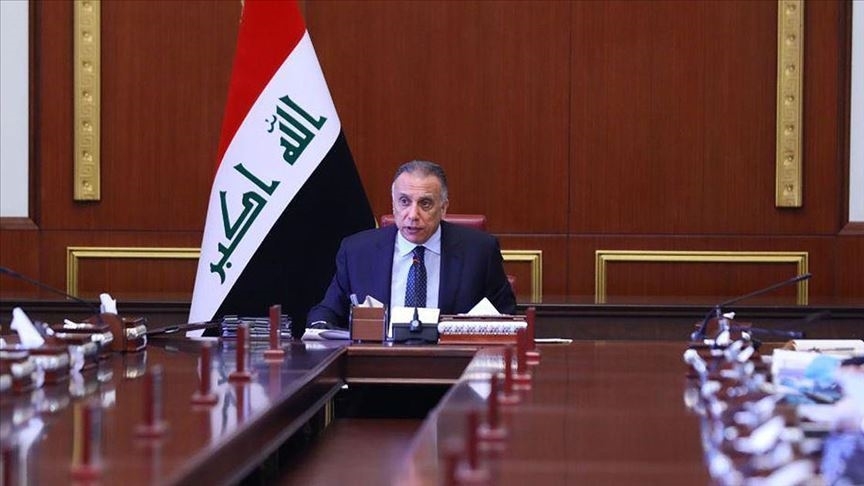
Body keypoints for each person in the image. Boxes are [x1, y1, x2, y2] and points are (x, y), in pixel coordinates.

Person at [306, 160, 516, 329]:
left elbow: (507, 317)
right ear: (393, 204)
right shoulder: (357, 252)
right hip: (377, 364)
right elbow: (328, 310)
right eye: (404, 202)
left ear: (443, 208)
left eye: (425, 203)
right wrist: (319, 326)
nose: (413, 215)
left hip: (453, 364)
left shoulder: (480, 252)